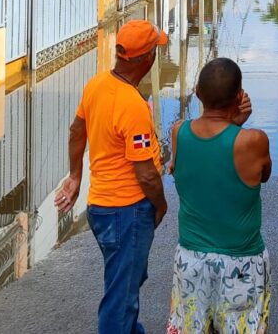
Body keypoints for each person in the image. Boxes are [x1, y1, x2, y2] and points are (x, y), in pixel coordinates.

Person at [55, 19, 169, 334]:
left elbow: (77, 130)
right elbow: (146, 174)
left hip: (102, 209)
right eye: (155, 49)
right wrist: (160, 206)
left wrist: (76, 176)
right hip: (127, 212)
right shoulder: (132, 105)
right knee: (120, 299)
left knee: (123, 282)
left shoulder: (97, 84)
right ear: (146, 59)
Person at [167, 57, 272, 334]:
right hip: (241, 264)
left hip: (190, 259)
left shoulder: (179, 132)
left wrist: (231, 122)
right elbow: (264, 174)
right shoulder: (253, 141)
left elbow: (194, 163)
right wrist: (236, 124)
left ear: (198, 94)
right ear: (239, 97)